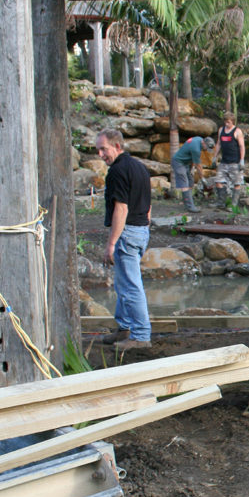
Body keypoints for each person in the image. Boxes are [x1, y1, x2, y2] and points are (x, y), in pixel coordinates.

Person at [96, 128, 152, 351]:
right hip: (141, 230)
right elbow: (148, 204)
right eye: (98, 150)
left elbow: (121, 208)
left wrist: (111, 243)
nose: (101, 155)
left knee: (130, 286)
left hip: (128, 232)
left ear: (117, 146)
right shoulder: (139, 167)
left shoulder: (118, 171)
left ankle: (140, 335)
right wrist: (144, 227)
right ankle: (124, 326)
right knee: (123, 283)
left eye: (104, 149)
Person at [171, 135, 214, 213]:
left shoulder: (199, 139)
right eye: (206, 148)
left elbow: (191, 157)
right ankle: (190, 207)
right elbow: (198, 165)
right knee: (185, 183)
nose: (205, 150)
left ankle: (187, 201)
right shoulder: (196, 149)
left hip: (186, 162)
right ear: (204, 143)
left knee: (190, 181)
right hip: (179, 162)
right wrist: (202, 178)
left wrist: (191, 169)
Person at [212, 112, 246, 206]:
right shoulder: (221, 130)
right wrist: (214, 157)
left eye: (228, 122)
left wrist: (242, 160)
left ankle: (233, 205)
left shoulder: (237, 131)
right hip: (224, 161)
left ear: (232, 122)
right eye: (225, 122)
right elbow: (218, 144)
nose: (226, 124)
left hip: (235, 162)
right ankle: (221, 202)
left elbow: (242, 146)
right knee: (218, 181)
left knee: (237, 183)